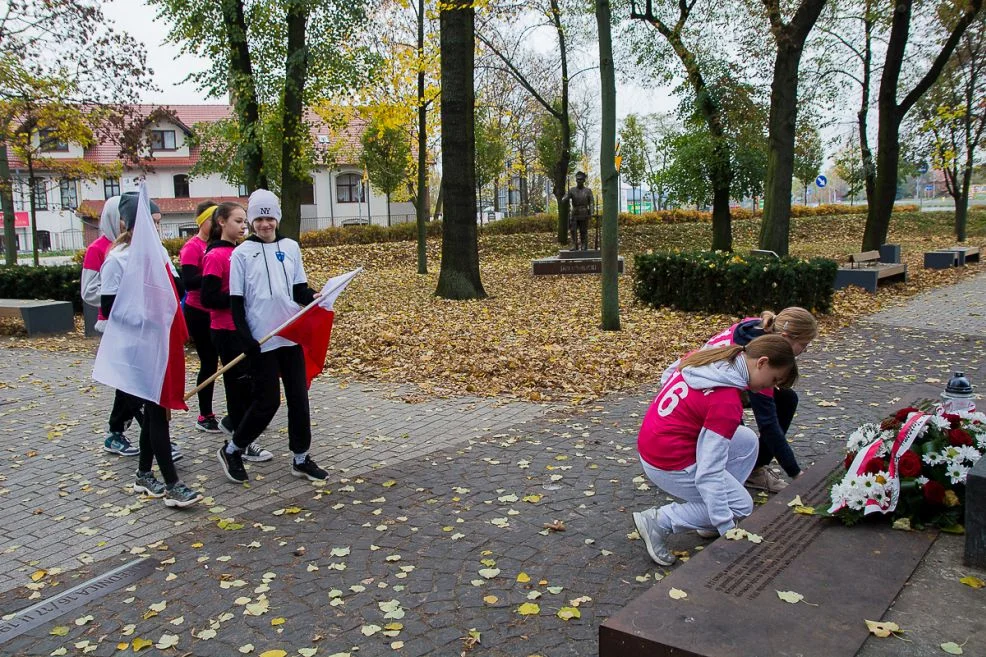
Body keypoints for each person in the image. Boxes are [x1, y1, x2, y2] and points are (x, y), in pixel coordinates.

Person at [633, 335, 797, 565]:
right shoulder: (726, 403)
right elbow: (709, 472)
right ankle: (659, 521)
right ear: (762, 362)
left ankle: (707, 515)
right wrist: (727, 528)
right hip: (668, 461)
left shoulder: (715, 357)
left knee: (747, 441)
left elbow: (667, 375)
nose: (769, 388)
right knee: (740, 505)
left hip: (656, 441)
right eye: (773, 380)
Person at [218, 189, 328, 483]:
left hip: (289, 334)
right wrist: (246, 339)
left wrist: (313, 296)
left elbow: (297, 289)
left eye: (269, 218)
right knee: (268, 402)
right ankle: (233, 448)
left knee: (298, 397)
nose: (265, 224)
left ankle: (301, 457)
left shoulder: (291, 247)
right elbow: (237, 303)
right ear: (251, 221)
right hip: (261, 339)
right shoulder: (241, 254)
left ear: (277, 218)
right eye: (259, 219)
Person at [100, 191, 201, 507]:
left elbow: (177, 291)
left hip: (161, 344)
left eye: (157, 223)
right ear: (130, 225)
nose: (156, 229)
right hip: (137, 349)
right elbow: (109, 308)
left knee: (157, 412)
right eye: (150, 223)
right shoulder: (117, 260)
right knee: (157, 413)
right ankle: (172, 485)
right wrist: (145, 312)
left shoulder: (158, 254)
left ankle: (144, 473)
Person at [692, 307, 817, 492]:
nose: (805, 350)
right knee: (742, 428)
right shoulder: (761, 362)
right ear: (785, 338)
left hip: (713, 387)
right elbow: (768, 423)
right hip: (701, 397)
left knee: (786, 399)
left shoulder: (760, 326)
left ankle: (754, 466)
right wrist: (796, 473)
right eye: (804, 344)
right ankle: (744, 470)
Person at [200, 201, 273, 462]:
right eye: (238, 221)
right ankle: (241, 441)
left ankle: (236, 426)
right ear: (221, 222)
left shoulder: (240, 252)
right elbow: (207, 298)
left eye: (245, 221)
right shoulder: (216, 255)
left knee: (249, 386)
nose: (244, 226)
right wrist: (238, 299)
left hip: (243, 328)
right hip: (226, 331)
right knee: (239, 387)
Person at [179, 200, 221, 433]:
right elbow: (188, 281)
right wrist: (214, 274)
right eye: (214, 219)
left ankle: (239, 414)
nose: (217, 224)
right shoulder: (192, 247)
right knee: (209, 362)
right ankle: (205, 414)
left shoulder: (219, 244)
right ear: (202, 222)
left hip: (219, 311)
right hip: (198, 312)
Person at [560, 171, 594, 250]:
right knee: (573, 230)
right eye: (577, 179)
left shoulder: (588, 191)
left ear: (584, 180)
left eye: (581, 179)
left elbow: (591, 202)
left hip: (584, 212)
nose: (579, 181)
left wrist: (591, 212)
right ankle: (574, 244)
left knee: (583, 230)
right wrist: (565, 198)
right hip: (575, 212)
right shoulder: (572, 190)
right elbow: (564, 199)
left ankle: (584, 244)